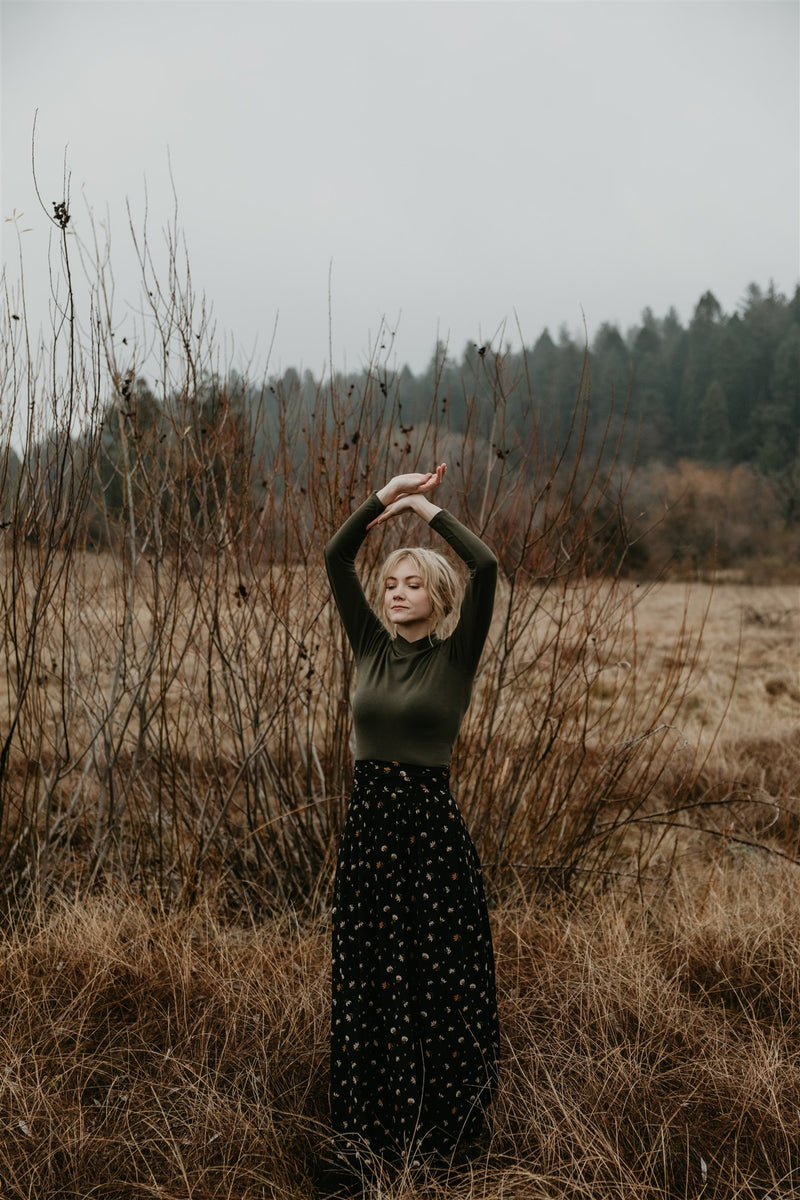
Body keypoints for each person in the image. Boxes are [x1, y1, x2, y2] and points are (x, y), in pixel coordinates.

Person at [321, 462, 500, 1192]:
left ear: (439, 594)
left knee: (439, 990)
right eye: (391, 583)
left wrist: (424, 509)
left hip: (429, 839)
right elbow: (335, 557)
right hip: (369, 838)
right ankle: (367, 1145)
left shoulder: (455, 657)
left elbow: (487, 564)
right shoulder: (368, 645)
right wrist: (383, 496)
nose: (398, 594)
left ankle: (442, 1148)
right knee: (368, 990)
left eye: (413, 583)